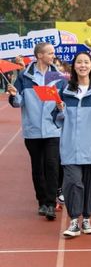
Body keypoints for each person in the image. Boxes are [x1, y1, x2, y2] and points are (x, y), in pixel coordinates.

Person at [55, 52, 91, 237]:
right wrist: (60, 111)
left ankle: (87, 219)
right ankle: (74, 221)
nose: (82, 65)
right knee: (73, 182)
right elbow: (56, 119)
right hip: (70, 145)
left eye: (86, 62)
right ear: (74, 66)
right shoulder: (63, 90)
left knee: (90, 185)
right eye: (79, 62)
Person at [7, 42, 65, 221]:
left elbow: (64, 102)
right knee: (37, 167)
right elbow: (18, 103)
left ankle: (50, 203)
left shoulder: (58, 77)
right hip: (32, 130)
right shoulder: (24, 76)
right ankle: (41, 202)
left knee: (52, 165)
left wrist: (61, 107)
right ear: (39, 55)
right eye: (49, 53)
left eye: (53, 53)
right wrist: (14, 94)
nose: (52, 56)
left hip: (53, 129)